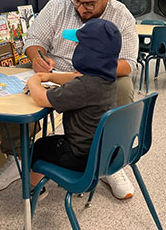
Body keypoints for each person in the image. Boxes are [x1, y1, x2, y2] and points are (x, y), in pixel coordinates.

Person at [0, 0, 138, 200]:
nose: (80, 8)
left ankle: (110, 159)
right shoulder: (58, 4)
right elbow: (33, 40)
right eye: (76, 0)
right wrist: (37, 59)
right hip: (54, 70)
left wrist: (91, 70)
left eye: (89, 4)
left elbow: (128, 64)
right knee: (15, 77)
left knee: (123, 85)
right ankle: (18, 156)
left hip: (96, 74)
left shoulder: (122, 15)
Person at [27, 18, 122, 199]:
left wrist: (34, 81)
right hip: (102, 152)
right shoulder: (106, 79)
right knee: (52, 142)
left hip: (80, 156)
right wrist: (50, 77)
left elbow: (41, 98)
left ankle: (34, 189)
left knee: (40, 146)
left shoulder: (84, 87)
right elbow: (76, 80)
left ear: (87, 53)